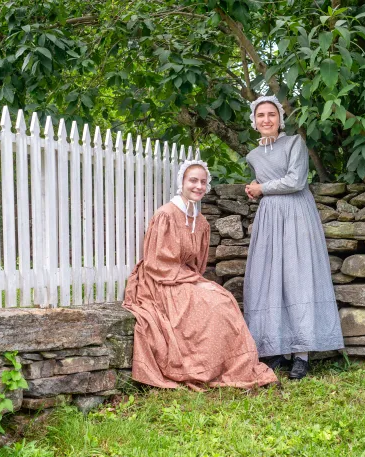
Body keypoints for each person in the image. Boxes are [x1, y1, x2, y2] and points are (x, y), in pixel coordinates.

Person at [123, 160, 278, 390]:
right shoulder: (166, 214)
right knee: (212, 303)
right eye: (192, 180)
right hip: (159, 280)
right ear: (182, 183)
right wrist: (192, 282)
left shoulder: (201, 221)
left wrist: (195, 281)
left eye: (203, 182)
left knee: (223, 299)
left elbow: (197, 265)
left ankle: (229, 366)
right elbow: (156, 262)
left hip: (183, 278)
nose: (198, 186)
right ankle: (203, 367)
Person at [243, 95, 344, 380]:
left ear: (279, 119)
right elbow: (264, 186)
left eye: (271, 115)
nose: (266, 120)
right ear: (254, 121)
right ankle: (276, 348)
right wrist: (253, 189)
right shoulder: (252, 155)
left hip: (297, 214)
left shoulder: (294, 143)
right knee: (272, 278)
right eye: (260, 115)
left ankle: (302, 354)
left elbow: (296, 180)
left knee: (299, 278)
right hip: (270, 218)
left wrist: (261, 188)